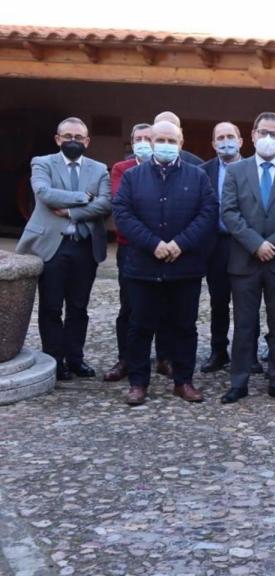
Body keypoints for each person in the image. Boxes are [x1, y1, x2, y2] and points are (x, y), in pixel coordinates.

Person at [112, 121, 218, 405]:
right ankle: (138, 383)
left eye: (171, 140)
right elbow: (122, 213)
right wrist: (153, 244)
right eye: (160, 139)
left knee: (185, 326)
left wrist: (179, 243)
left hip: (184, 267)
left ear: (181, 143)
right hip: (143, 266)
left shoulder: (197, 177)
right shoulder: (133, 177)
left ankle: (183, 381)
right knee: (140, 326)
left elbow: (207, 214)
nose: (165, 144)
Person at [219, 112, 275, 405]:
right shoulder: (236, 171)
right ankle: (239, 382)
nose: (268, 138)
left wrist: (274, 244)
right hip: (245, 261)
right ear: (254, 135)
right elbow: (229, 213)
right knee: (244, 324)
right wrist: (256, 244)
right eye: (263, 132)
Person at [16, 117, 111, 381]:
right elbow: (44, 194)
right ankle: (54, 361)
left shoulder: (100, 169)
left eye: (79, 137)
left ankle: (75, 358)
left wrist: (70, 210)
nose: (73, 141)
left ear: (87, 141)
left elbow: (104, 205)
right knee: (51, 307)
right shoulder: (42, 163)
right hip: (51, 246)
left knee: (79, 307)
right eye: (67, 136)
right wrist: (83, 198)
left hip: (84, 246)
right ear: (58, 139)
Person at [104, 123, 172, 382]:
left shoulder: (169, 171)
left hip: (168, 250)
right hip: (132, 249)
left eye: (148, 137)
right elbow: (124, 207)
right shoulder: (124, 170)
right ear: (132, 143)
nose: (144, 142)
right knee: (130, 307)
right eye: (139, 138)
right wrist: (151, 239)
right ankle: (126, 359)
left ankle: (164, 357)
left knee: (166, 305)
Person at [198, 122, 263, 374]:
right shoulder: (203, 172)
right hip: (217, 245)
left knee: (248, 303)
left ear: (241, 140)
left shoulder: (253, 168)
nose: (226, 141)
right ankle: (218, 351)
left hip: (246, 244)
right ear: (213, 143)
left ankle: (250, 354)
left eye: (230, 136)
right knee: (218, 301)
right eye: (220, 137)